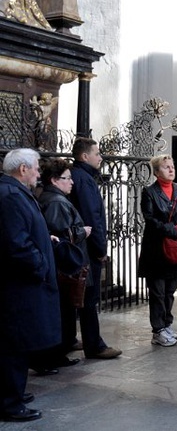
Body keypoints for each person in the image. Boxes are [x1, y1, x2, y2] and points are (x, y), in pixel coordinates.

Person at [0, 148, 60, 422]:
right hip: (19, 284)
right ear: (23, 169)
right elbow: (16, 243)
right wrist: (39, 265)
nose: (39, 172)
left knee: (18, 341)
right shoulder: (11, 196)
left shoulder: (15, 192)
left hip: (21, 282)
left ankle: (13, 392)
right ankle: (9, 403)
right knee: (14, 343)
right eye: (36, 167)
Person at [32, 158, 90, 374]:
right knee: (62, 311)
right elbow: (61, 236)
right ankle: (52, 356)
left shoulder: (50, 197)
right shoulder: (56, 202)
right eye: (67, 178)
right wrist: (82, 232)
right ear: (55, 180)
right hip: (61, 267)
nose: (72, 183)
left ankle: (57, 354)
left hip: (57, 267)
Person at [68, 138, 122, 360]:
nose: (101, 157)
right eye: (97, 153)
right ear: (84, 156)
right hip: (87, 250)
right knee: (89, 299)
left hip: (78, 247)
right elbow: (93, 217)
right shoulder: (84, 180)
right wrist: (100, 249)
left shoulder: (77, 176)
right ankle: (94, 345)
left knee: (74, 296)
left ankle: (69, 338)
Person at [137, 154, 177, 347]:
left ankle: (167, 324)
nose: (171, 170)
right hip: (157, 251)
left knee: (170, 290)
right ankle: (158, 329)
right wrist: (173, 232)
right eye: (166, 167)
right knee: (158, 292)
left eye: (172, 166)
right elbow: (150, 219)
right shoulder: (149, 192)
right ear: (156, 172)